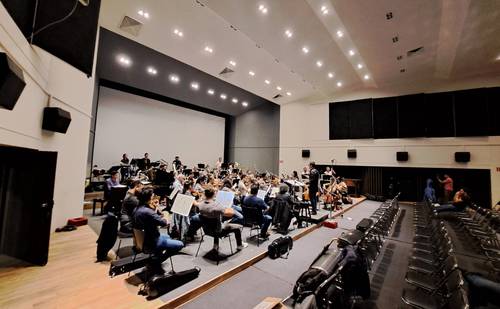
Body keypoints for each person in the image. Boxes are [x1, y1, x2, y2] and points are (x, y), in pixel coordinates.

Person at [133, 188, 184, 272]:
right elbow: (165, 223)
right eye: (152, 197)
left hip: (142, 240)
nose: (153, 198)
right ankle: (156, 261)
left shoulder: (137, 208)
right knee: (180, 244)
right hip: (152, 242)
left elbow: (151, 219)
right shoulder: (148, 212)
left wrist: (156, 208)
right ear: (148, 199)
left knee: (167, 236)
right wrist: (166, 214)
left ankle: (156, 256)